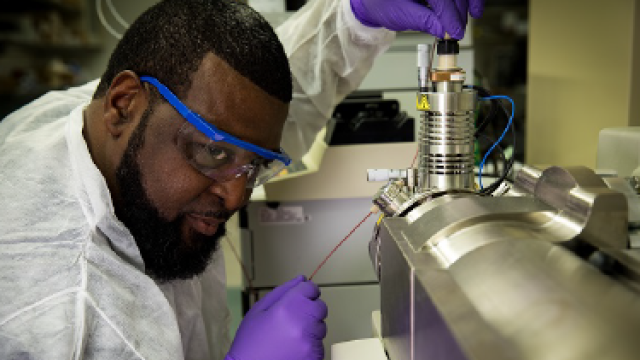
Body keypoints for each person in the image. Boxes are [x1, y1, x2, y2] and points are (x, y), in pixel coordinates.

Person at [0, 0, 483, 359]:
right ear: (123, 105)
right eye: (213, 152)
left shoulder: (98, 115)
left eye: (254, 165)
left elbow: (242, 108)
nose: (235, 195)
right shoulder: (63, 315)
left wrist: (355, 15)